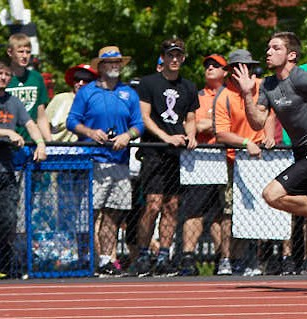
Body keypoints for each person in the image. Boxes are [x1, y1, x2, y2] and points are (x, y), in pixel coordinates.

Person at [233, 32, 307, 260]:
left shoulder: (301, 77)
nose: (268, 52)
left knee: (271, 194)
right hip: (301, 153)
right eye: (268, 48)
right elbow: (257, 122)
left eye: (275, 48)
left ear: (291, 55)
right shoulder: (268, 85)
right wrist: (246, 93)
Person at [68, 46, 145, 277]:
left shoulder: (129, 93)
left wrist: (127, 136)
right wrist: (91, 133)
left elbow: (138, 124)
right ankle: (88, 258)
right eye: (110, 62)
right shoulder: (87, 92)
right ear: (100, 67)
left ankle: (105, 260)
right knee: (91, 212)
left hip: (119, 161)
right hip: (93, 160)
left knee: (113, 213)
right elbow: (72, 121)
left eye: (118, 62)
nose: (114, 66)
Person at [0, 61, 48, 279]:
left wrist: (40, 143)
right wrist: (7, 134)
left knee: (8, 217)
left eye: (6, 74)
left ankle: (3, 263)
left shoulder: (14, 102)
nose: (3, 77)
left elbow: (31, 124)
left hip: (6, 167)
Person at [132, 38, 199, 277]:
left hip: (176, 154)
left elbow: (191, 118)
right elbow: (145, 117)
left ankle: (163, 255)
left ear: (183, 58)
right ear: (163, 57)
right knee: (152, 205)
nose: (174, 59)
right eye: (170, 55)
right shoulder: (149, 83)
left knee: (171, 206)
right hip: (154, 152)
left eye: (178, 55)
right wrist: (165, 137)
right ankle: (142, 254)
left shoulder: (189, 87)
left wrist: (190, 136)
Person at [214, 49, 273, 275]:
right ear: (230, 71)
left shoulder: (263, 86)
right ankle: (228, 259)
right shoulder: (224, 96)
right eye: (237, 66)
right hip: (234, 161)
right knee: (231, 211)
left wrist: (268, 135)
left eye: (246, 66)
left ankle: (257, 261)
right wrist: (246, 142)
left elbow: (271, 114)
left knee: (262, 210)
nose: (242, 70)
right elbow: (221, 134)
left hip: (262, 160)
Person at [179, 53, 234, 276]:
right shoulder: (196, 96)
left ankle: (224, 258)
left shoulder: (231, 95)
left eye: (216, 65)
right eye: (207, 65)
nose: (210, 68)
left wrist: (208, 125)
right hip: (200, 160)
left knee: (222, 214)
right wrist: (209, 125)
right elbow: (187, 124)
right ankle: (188, 258)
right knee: (194, 211)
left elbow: (230, 126)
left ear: (225, 72)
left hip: (226, 158)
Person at [4, 33, 51, 141]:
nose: (25, 56)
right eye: (20, 52)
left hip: (32, 141)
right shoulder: (1, 78)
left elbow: (41, 116)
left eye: (28, 52)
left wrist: (50, 142)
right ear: (10, 52)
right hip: (7, 143)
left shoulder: (36, 78)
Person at [45, 64, 97, 143]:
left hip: (86, 150)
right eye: (77, 79)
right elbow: (44, 123)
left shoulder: (96, 102)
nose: (80, 83)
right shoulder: (61, 98)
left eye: (86, 80)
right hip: (57, 148)